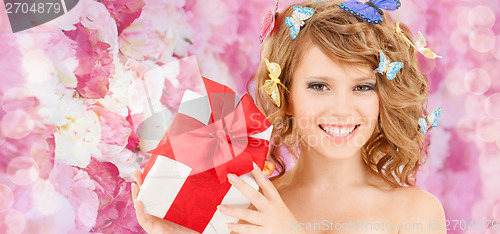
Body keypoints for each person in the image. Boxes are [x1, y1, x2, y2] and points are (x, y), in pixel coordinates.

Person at [131, 0, 447, 233]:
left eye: (362, 87)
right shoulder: (248, 206)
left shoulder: (414, 212)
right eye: (319, 86)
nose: (340, 108)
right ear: (286, 95)